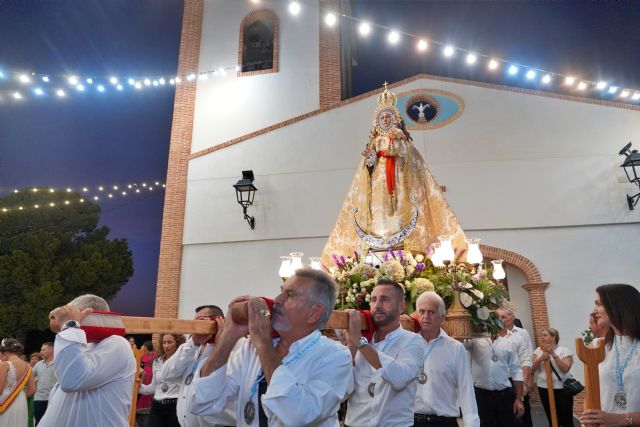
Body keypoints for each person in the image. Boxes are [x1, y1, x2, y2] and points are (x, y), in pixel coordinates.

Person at [190, 268, 354, 427]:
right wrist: (229, 336)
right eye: (281, 291)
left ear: (314, 313)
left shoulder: (335, 355)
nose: (277, 300)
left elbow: (299, 414)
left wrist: (263, 343)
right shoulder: (251, 348)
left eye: (289, 295)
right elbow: (202, 403)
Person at [38, 294, 137, 427]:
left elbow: (72, 379)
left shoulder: (118, 344)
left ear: (92, 315)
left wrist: (70, 326)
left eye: (72, 315)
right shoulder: (80, 346)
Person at [345, 279, 426, 427]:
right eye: (374, 300)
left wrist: (360, 342)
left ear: (401, 306)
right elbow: (343, 391)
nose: (377, 306)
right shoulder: (359, 340)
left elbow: (399, 378)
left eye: (384, 300)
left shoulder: (414, 341)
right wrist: (351, 346)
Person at [413, 291, 479, 427]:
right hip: (411, 421)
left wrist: (472, 423)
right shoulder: (407, 344)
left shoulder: (455, 348)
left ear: (442, 318)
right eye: (422, 311)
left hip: (444, 422)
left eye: (431, 312)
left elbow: (466, 389)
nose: (426, 316)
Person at [159, 305, 229, 427]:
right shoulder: (190, 348)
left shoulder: (230, 348)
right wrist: (194, 343)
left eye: (200, 321)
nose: (195, 325)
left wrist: (218, 343)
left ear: (217, 321)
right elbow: (166, 375)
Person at [580, 284, 640, 426]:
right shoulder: (597, 347)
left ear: (619, 306)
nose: (594, 312)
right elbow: (590, 393)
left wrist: (620, 419)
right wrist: (589, 418)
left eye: (599, 304)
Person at [466, 321, 524, 427]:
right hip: (481, 395)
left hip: (504, 395)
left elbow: (516, 371)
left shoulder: (509, 344)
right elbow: (459, 344)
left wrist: (519, 399)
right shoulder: (475, 341)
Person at [496, 307, 534, 427]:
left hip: (518, 380)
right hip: (502, 381)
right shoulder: (493, 336)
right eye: (498, 318)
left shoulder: (522, 334)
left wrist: (526, 382)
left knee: (523, 415)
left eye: (503, 317)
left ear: (512, 317)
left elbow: (527, 358)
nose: (500, 320)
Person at [139, 333, 186, 427]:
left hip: (175, 406)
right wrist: (139, 387)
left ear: (178, 343)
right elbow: (153, 387)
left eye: (169, 342)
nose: (166, 346)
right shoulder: (157, 361)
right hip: (157, 406)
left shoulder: (182, 360)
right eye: (164, 342)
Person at [531, 328, 575, 427]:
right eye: (541, 335)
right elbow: (532, 369)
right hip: (544, 388)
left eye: (545, 335)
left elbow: (565, 368)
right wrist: (540, 358)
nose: (542, 337)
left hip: (561, 389)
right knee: (551, 418)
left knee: (566, 418)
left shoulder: (564, 350)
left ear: (553, 337)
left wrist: (553, 354)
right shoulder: (538, 350)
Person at [0, 339, 36, 427]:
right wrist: (20, 396)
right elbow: (32, 389)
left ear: (4, 351)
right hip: (21, 401)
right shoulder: (28, 366)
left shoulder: (5, 365)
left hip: (5, 401)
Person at [32, 342, 56, 425]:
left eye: (43, 350)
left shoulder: (59, 363)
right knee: (39, 423)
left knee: (53, 423)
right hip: (39, 399)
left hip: (54, 399)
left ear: (51, 350)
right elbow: (29, 377)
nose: (40, 352)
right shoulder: (38, 364)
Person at [137, 339, 157, 414]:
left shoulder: (154, 354)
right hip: (144, 371)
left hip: (151, 372)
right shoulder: (143, 354)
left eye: (144, 346)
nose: (143, 347)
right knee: (144, 389)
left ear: (147, 347)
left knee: (149, 388)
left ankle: (149, 406)